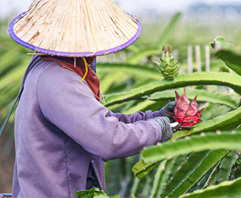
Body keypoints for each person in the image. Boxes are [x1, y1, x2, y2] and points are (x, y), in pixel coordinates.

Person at [8, 0, 176, 197]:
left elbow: (99, 121)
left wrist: (155, 116)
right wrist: (158, 128)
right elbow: (107, 138)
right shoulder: (58, 80)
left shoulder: (50, 67)